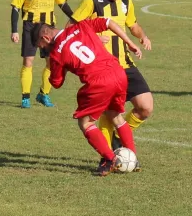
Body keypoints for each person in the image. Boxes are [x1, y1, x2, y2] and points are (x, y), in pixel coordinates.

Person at [32, 18, 142, 176]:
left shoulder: (56, 54)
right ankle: (133, 159)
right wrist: (130, 43)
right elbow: (108, 22)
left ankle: (110, 159)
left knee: (85, 122)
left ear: (46, 38)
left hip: (99, 82)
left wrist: (53, 64)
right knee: (115, 115)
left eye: (41, 48)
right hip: (117, 72)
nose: (43, 51)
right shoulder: (82, 26)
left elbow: (56, 83)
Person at [70, 0, 153, 168]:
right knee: (109, 115)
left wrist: (141, 36)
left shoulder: (126, 2)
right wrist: (96, 37)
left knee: (145, 107)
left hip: (125, 64)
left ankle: (120, 135)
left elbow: (132, 24)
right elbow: (71, 29)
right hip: (103, 69)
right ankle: (108, 158)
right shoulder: (91, 2)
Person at [10, 0, 74, 108]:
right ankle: (25, 97)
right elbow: (15, 8)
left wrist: (74, 17)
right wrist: (14, 30)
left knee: (52, 62)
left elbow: (62, 4)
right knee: (28, 62)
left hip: (48, 29)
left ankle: (43, 94)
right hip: (30, 28)